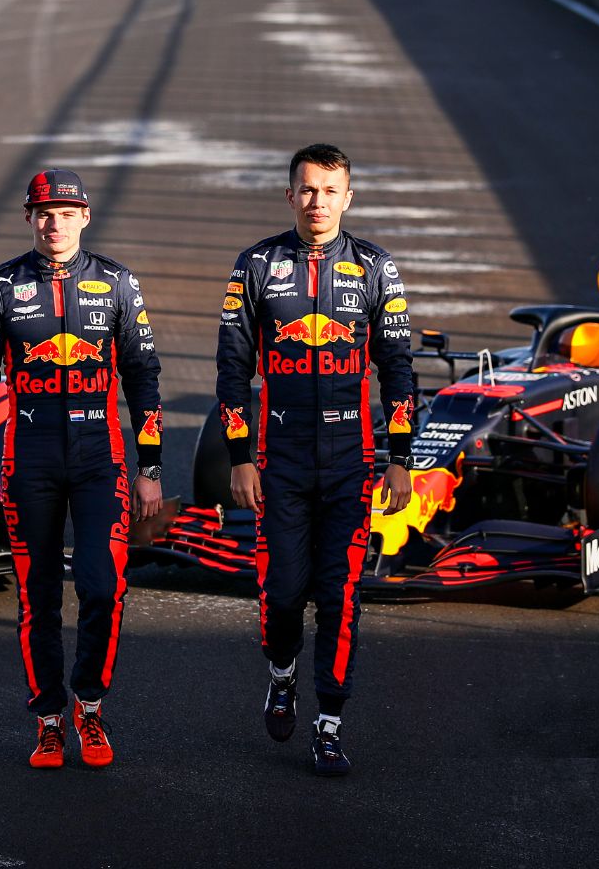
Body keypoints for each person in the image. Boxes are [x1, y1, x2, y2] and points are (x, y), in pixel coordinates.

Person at [215, 143, 414, 777]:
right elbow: (230, 371)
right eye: (306, 190)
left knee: (342, 596)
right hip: (281, 464)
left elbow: (399, 370)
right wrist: (240, 458)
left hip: (353, 463)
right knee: (282, 594)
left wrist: (400, 459)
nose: (317, 202)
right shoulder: (255, 265)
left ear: (348, 197)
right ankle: (281, 672)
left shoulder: (377, 269)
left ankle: (328, 725)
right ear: (289, 195)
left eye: (330, 191)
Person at [0, 169, 164, 769]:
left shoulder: (119, 284)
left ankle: (90, 706)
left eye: (66, 211)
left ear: (85, 216)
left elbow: (143, 378)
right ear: (29, 218)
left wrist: (150, 464)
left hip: (103, 459)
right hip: (30, 460)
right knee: (38, 597)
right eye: (44, 212)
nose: (55, 222)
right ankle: (49, 720)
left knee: (103, 586)